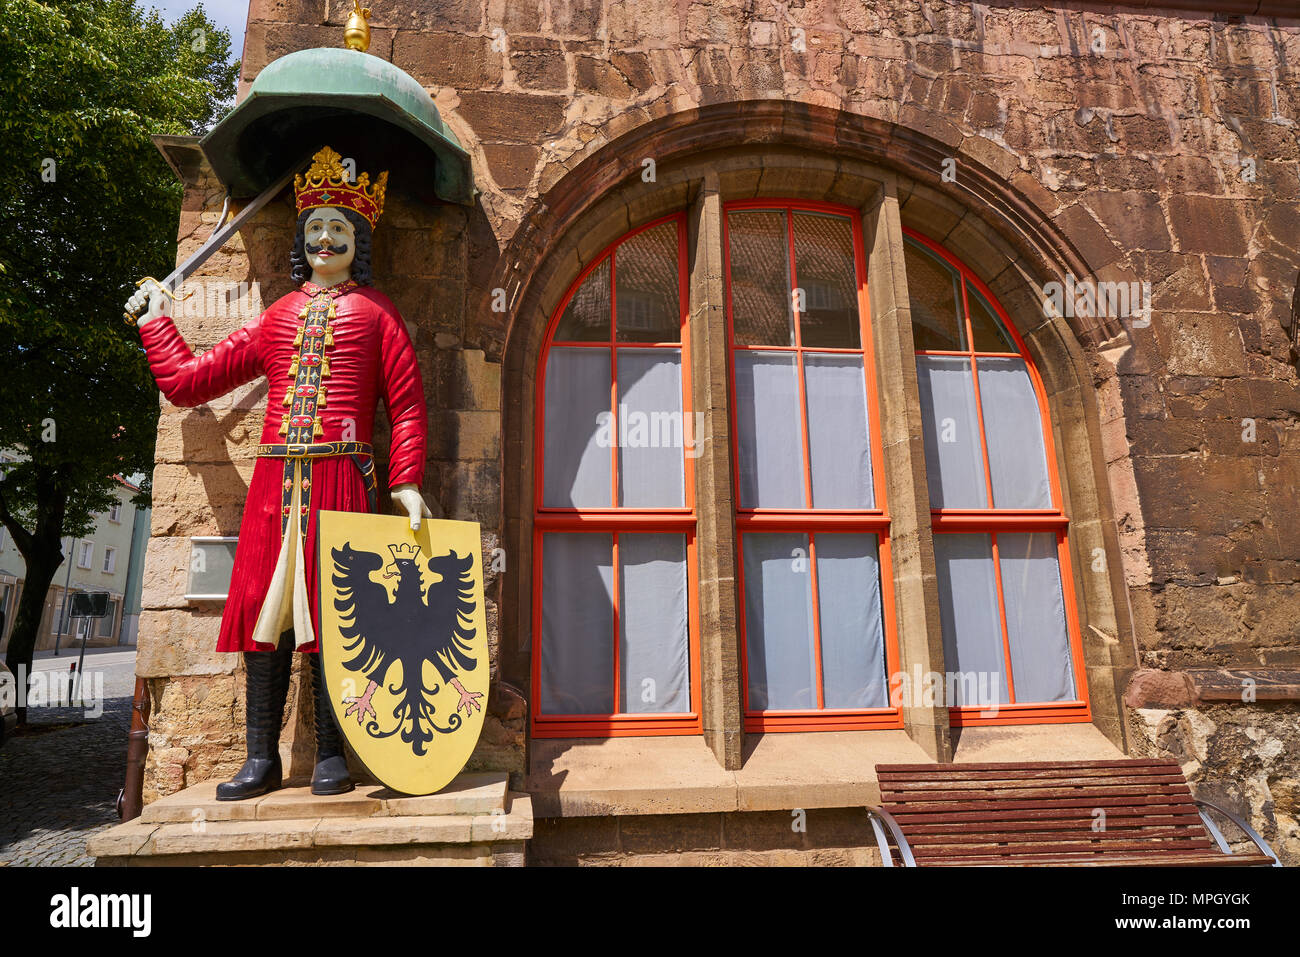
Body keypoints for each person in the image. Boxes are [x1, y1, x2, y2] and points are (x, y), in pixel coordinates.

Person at [124, 146, 432, 799]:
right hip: (272, 489)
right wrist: (158, 323)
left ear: (360, 239)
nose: (325, 238)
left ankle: (332, 756)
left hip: (344, 484)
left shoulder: (379, 316)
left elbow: (405, 405)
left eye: (340, 228)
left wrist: (405, 481)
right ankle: (259, 756)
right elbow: (186, 382)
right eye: (315, 227)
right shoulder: (276, 319)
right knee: (267, 622)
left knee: (337, 618)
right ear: (301, 238)